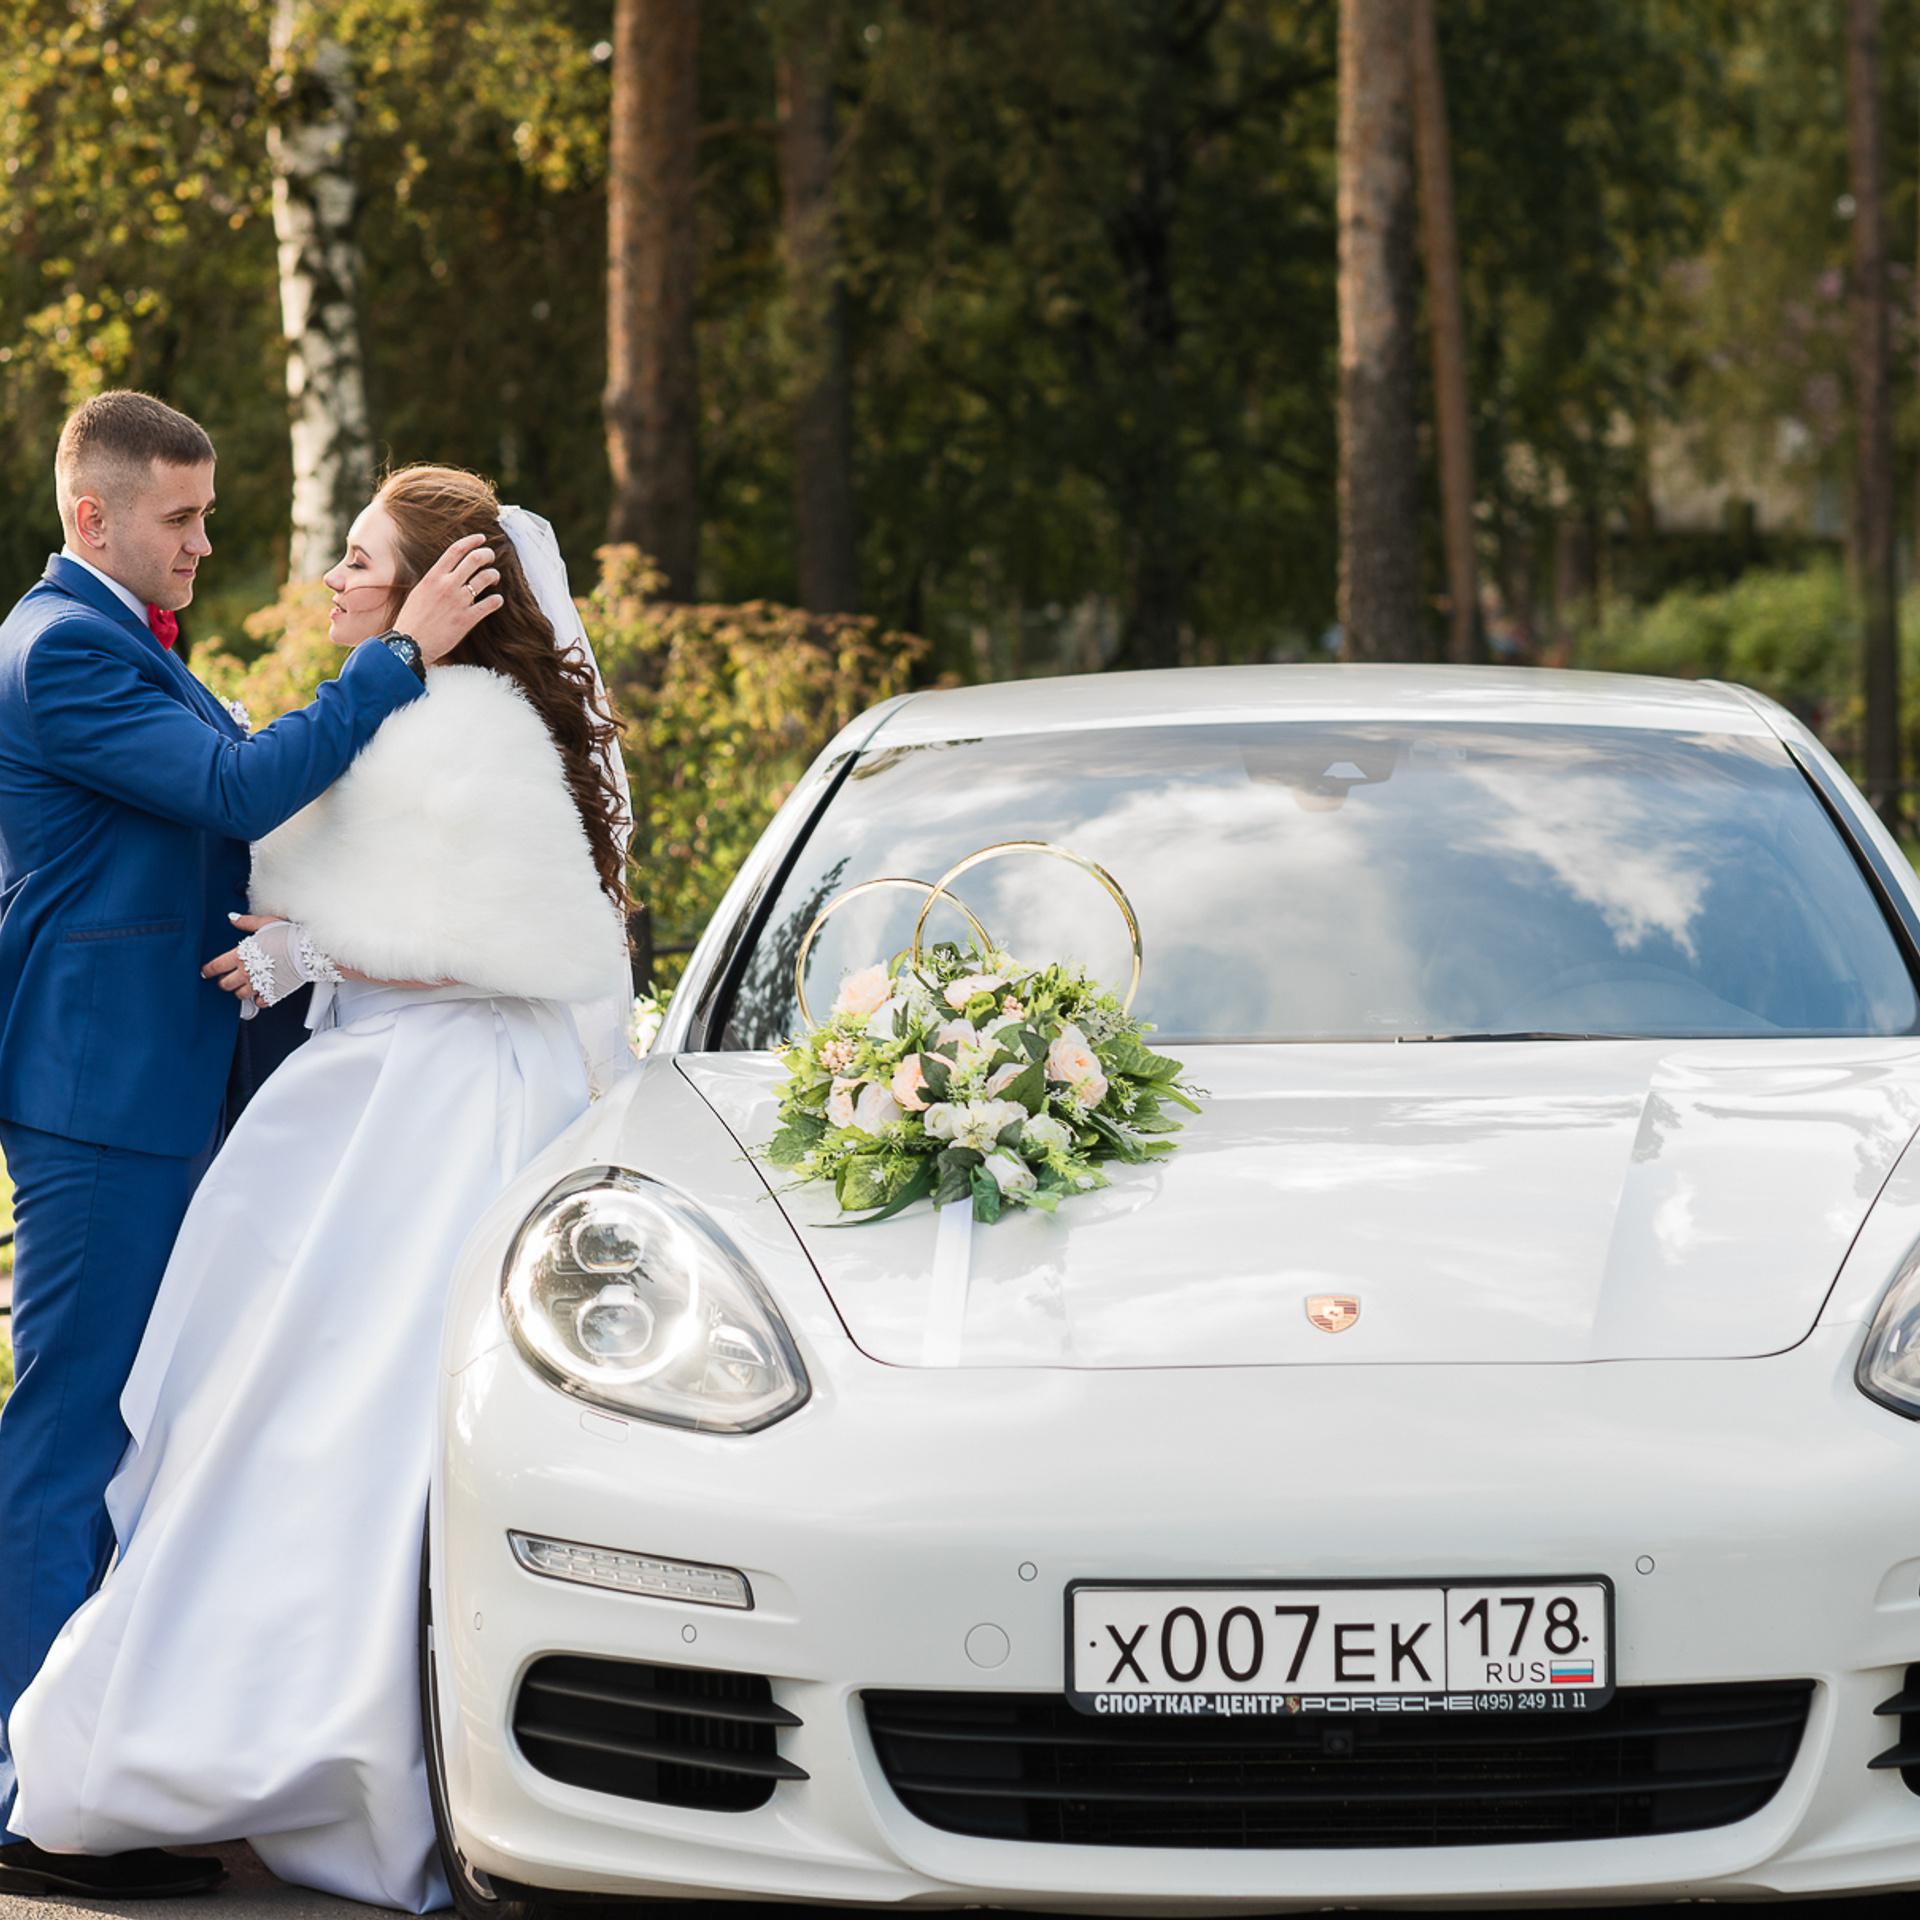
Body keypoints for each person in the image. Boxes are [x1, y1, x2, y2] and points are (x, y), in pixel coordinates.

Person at [4, 464, 635, 1912]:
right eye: (187, 521)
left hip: (424, 1109)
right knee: (209, 1418)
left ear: (436, 592)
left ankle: (181, 1757)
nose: (333, 581)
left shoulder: (456, 722)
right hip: (286, 1097)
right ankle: (70, 1769)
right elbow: (248, 804)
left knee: (334, 1430)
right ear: (99, 517)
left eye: (364, 561)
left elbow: (513, 937)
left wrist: (321, 949)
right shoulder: (75, 647)